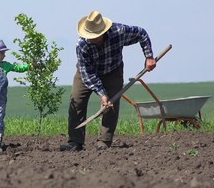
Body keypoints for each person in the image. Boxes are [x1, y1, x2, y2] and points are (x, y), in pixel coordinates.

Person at [60, 11, 156, 151]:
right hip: (87, 72)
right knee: (77, 100)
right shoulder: (82, 45)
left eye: (94, 36)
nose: (90, 38)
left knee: (111, 103)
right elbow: (88, 75)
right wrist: (101, 93)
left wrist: (149, 56)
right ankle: (75, 142)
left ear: (102, 32)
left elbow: (141, 33)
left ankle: (104, 141)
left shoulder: (119, 32)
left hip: (113, 70)